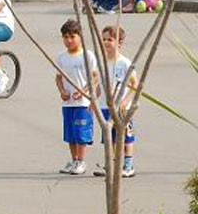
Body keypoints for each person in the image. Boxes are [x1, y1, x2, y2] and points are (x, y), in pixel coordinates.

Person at [54, 18, 99, 176]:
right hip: (68, 103)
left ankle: (81, 160)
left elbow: (94, 77)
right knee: (70, 133)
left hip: (83, 102)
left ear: (80, 37)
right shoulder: (61, 56)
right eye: (66, 37)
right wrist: (62, 91)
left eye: (72, 36)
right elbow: (58, 77)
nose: (69, 40)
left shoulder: (88, 56)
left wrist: (83, 91)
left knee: (81, 132)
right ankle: (74, 159)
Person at [94, 25, 138, 179]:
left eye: (110, 40)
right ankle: (110, 165)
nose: (106, 42)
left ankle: (128, 165)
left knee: (126, 137)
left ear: (119, 43)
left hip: (121, 109)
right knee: (109, 137)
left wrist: (125, 102)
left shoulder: (125, 63)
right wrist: (94, 101)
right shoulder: (102, 63)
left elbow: (135, 85)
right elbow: (100, 84)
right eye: (104, 39)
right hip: (105, 106)